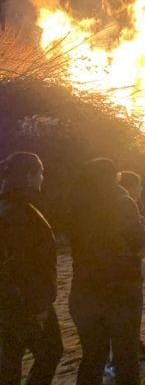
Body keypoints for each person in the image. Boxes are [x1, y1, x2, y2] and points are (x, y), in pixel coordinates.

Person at [68, 158, 145, 385]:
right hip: (120, 290)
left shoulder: (77, 206)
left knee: (93, 357)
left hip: (84, 291)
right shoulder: (123, 201)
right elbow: (139, 243)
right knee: (125, 357)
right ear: (112, 176)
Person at [0, 152, 62, 385]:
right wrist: (39, 306)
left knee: (11, 358)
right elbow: (24, 264)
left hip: (10, 301)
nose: (43, 178)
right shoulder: (19, 213)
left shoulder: (10, 206)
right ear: (29, 176)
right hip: (25, 301)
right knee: (50, 352)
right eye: (41, 172)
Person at [115, 171, 145, 364]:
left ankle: (134, 344)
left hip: (135, 264)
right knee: (125, 309)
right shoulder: (123, 207)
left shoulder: (134, 206)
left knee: (132, 309)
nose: (141, 189)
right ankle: (122, 353)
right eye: (138, 185)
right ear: (130, 187)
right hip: (126, 267)